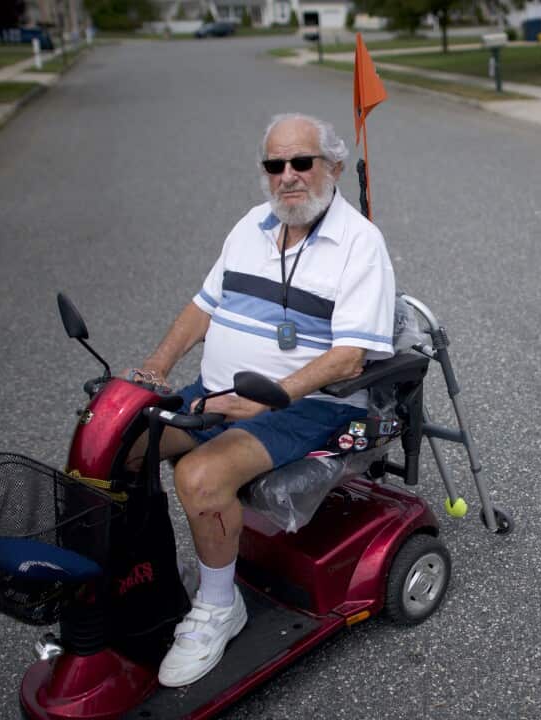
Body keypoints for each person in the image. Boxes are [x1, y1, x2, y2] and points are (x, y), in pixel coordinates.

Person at [128, 113, 396, 687]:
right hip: (219, 391)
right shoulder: (249, 226)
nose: (288, 176)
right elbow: (203, 306)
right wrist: (155, 366)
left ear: (335, 167)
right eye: (275, 165)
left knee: (200, 476)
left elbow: (350, 357)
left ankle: (221, 607)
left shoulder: (359, 244)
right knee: (123, 442)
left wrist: (272, 397)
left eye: (303, 162)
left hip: (309, 405)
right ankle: (139, 574)